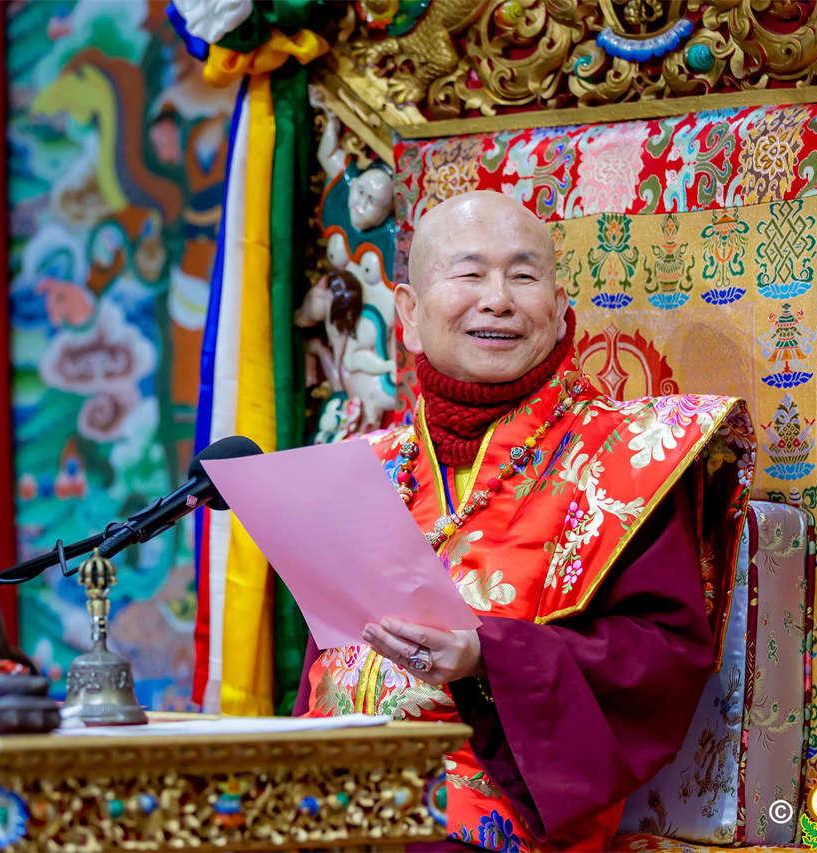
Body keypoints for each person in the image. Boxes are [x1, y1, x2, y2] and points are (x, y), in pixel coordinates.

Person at [293, 191, 753, 851]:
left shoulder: (630, 455)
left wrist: (487, 657)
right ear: (408, 313)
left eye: (523, 276)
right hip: (327, 799)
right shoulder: (367, 464)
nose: (499, 300)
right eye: (470, 273)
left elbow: (662, 658)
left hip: (488, 814)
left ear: (560, 308)